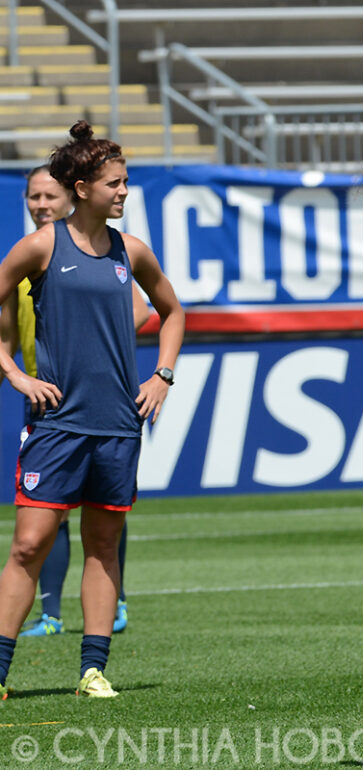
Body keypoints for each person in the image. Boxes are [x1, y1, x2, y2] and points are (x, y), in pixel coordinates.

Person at [0, 120, 184, 699]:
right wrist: (13, 372)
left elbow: (173, 312)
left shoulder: (132, 251)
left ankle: (92, 670)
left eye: (126, 182)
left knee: (104, 546)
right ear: (83, 188)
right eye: (115, 183)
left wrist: (162, 376)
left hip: (117, 425)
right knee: (29, 545)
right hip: (55, 424)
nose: (124, 192)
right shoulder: (41, 245)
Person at [1, 166, 149, 638]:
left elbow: (146, 310)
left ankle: (110, 608)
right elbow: (9, 334)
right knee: (39, 529)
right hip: (50, 406)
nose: (41, 204)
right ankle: (50, 612)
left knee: (102, 526)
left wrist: (105, 356)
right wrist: (17, 375)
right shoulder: (34, 254)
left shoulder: (109, 254)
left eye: (50, 195)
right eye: (33, 197)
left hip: (104, 407)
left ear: (73, 195)